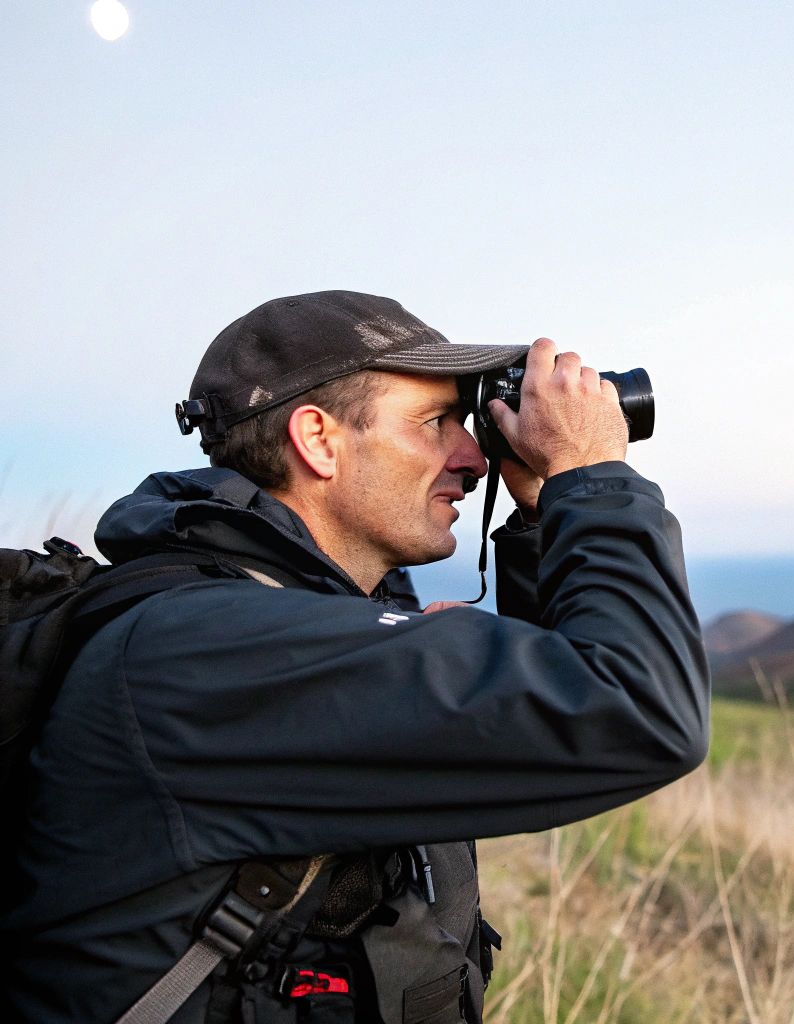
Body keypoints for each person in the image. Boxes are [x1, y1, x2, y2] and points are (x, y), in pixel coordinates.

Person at [1, 291, 711, 1022]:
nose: (470, 457)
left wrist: (542, 516)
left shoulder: (299, 619)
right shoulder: (220, 649)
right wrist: (588, 476)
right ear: (319, 440)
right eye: (436, 423)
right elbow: (637, 709)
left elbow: (550, 739)